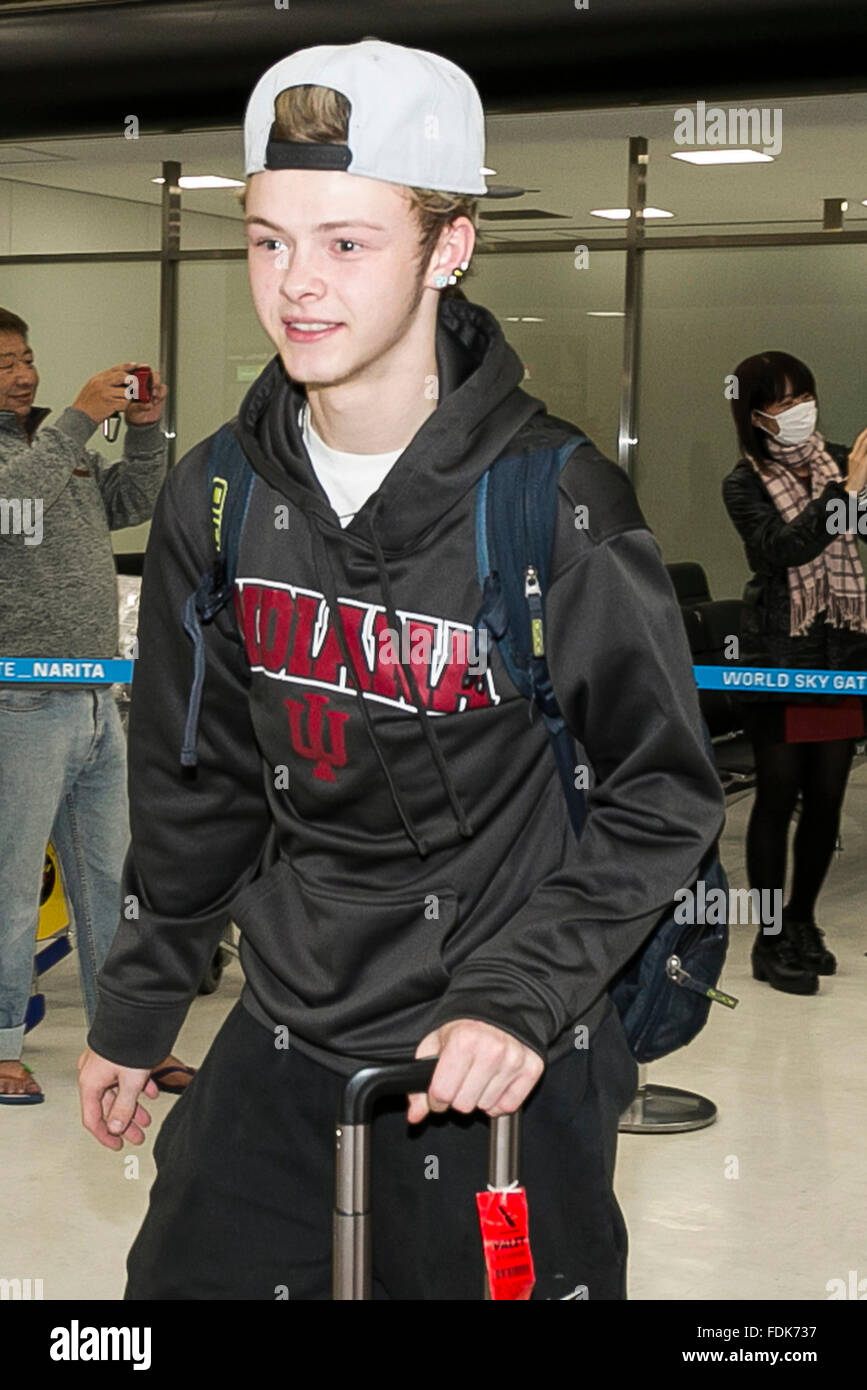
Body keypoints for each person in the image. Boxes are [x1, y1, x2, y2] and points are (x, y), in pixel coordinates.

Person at [78, 39, 724, 1300]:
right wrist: (137, 1007)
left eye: (347, 244)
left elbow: (664, 794)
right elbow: (193, 782)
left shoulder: (555, 499)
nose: (297, 286)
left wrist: (518, 997)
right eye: (268, 241)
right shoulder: (217, 493)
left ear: (450, 248)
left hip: (503, 1053)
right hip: (289, 1031)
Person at [0, 308, 194, 1102]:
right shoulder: (44, 450)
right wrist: (80, 420)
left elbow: (130, 499)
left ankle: (130, 1041)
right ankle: (3, 1043)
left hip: (91, 694)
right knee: (10, 885)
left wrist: (143, 431)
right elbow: (11, 506)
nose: (25, 373)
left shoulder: (53, 447)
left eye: (28, 356)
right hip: (18, 698)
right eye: (7, 362)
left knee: (114, 884)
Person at [722, 350, 867, 995]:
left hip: (840, 649)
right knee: (777, 793)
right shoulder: (744, 481)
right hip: (778, 653)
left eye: (802, 396)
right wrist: (845, 492)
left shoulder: (842, 459)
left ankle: (805, 922)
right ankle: (769, 935)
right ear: (755, 416)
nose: (797, 411)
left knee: (829, 794)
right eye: (781, 403)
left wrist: (856, 491)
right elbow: (781, 550)